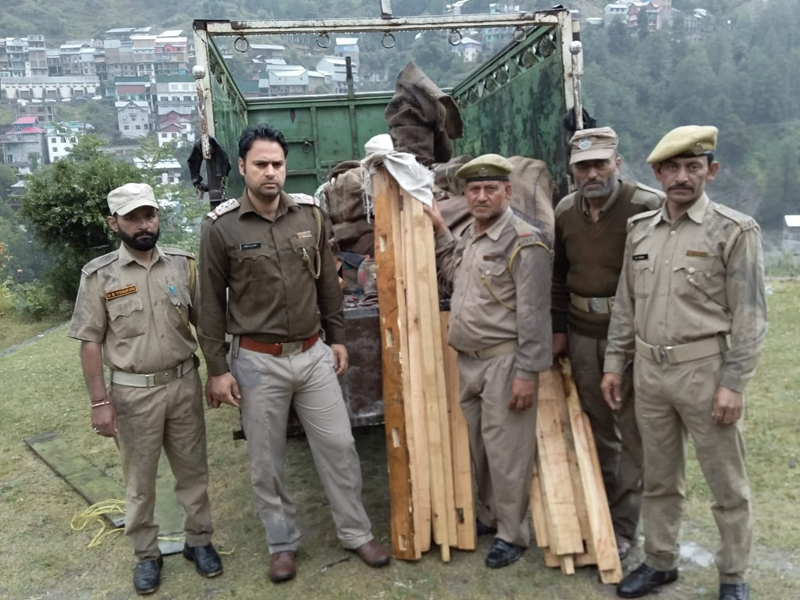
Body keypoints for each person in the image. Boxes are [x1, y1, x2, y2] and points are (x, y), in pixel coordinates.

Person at [197, 124, 389, 584]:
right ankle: (282, 543)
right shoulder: (221, 227)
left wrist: (338, 337)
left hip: (312, 353)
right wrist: (218, 369)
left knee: (340, 447)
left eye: (277, 164)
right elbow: (208, 303)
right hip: (257, 361)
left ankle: (355, 531)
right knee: (267, 459)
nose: (270, 173)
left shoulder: (311, 215)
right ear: (242, 167)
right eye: (260, 164)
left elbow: (329, 283)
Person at [601, 126, 766, 600]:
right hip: (650, 374)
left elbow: (751, 318)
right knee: (658, 476)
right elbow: (626, 304)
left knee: (726, 483)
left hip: (705, 371)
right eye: (672, 168)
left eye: (693, 167)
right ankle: (660, 560)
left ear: (710, 172)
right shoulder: (641, 230)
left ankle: (733, 575)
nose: (681, 177)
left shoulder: (734, 231)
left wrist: (733, 383)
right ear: (657, 172)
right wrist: (616, 363)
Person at [68, 183, 222, 596]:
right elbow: (90, 342)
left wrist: (217, 373)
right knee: (140, 481)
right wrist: (100, 402)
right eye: (132, 217)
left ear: (158, 217)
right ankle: (147, 554)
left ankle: (199, 541)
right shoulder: (100, 276)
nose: (143, 225)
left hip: (184, 384)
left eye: (149, 215)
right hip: (133, 396)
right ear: (113, 222)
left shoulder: (181, 266)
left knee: (194, 471)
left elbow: (204, 325)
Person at [427, 154, 552, 569]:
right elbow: (451, 276)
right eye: (474, 190)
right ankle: (488, 516)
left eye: (490, 189)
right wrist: (442, 231)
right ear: (465, 196)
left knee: (508, 452)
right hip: (470, 362)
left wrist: (527, 375)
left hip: (504, 362)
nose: (481, 196)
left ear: (508, 192)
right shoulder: (473, 238)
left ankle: (513, 534)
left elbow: (535, 315)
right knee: (480, 447)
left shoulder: (523, 240)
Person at [552, 127, 664, 559]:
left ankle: (625, 526)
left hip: (632, 340)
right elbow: (559, 278)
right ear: (572, 171)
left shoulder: (646, 206)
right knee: (598, 429)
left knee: (633, 431)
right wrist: (559, 329)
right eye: (583, 166)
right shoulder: (565, 211)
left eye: (601, 163)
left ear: (618, 162)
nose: (592, 173)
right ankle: (600, 516)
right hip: (582, 336)